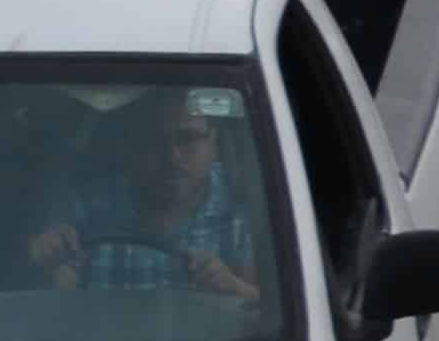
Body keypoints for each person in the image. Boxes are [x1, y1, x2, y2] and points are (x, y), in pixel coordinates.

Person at [28, 89, 265, 301]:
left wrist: (233, 288)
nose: (172, 157)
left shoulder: (246, 208)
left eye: (187, 139)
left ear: (214, 144)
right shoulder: (84, 208)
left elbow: (271, 312)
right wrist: (48, 261)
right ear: (131, 148)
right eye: (153, 141)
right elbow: (51, 307)